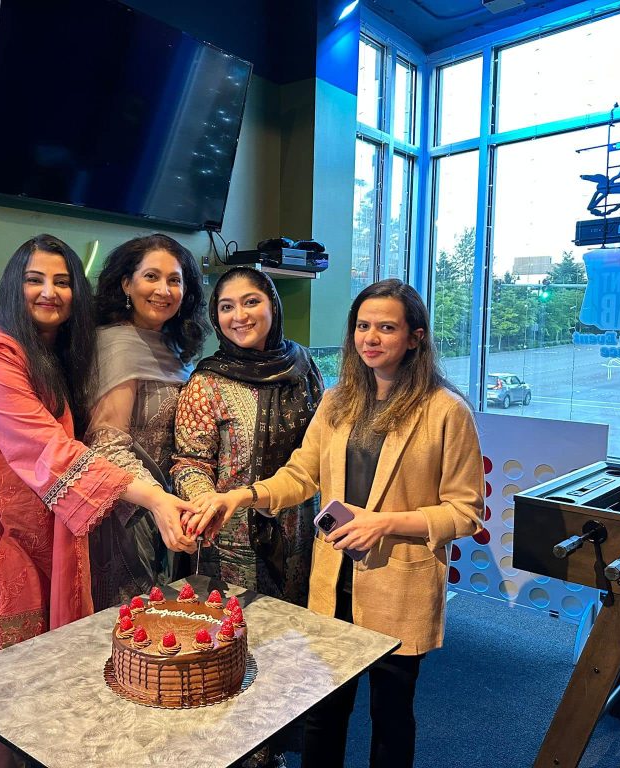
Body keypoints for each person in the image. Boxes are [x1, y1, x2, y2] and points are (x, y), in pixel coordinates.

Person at [0, 234, 196, 768]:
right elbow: (53, 452)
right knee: (14, 689)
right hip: (6, 546)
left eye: (62, 281)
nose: (50, 292)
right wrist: (154, 498)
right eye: (35, 280)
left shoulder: (51, 354)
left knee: (56, 686)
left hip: (57, 532)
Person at [190, 279, 484, 768]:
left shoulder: (446, 411)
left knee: (391, 715)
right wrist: (242, 495)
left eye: (386, 328)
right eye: (362, 327)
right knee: (323, 711)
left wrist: (382, 523)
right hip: (331, 581)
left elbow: (465, 511)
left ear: (415, 337)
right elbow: (301, 475)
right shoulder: (338, 400)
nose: (371, 338)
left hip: (398, 584)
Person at [171, 266, 323, 604]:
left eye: (251, 302)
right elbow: (189, 462)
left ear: (273, 305)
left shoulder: (303, 366)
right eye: (226, 307)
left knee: (296, 626)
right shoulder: (207, 382)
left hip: (300, 528)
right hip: (232, 542)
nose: (239, 316)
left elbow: (320, 446)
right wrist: (205, 503)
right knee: (236, 628)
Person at [87, 233, 209, 608]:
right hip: (126, 514)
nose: (163, 290)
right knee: (129, 625)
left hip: (168, 510)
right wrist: (156, 501)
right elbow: (106, 447)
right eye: (151, 276)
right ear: (127, 283)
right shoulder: (115, 344)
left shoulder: (172, 346)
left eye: (174, 280)